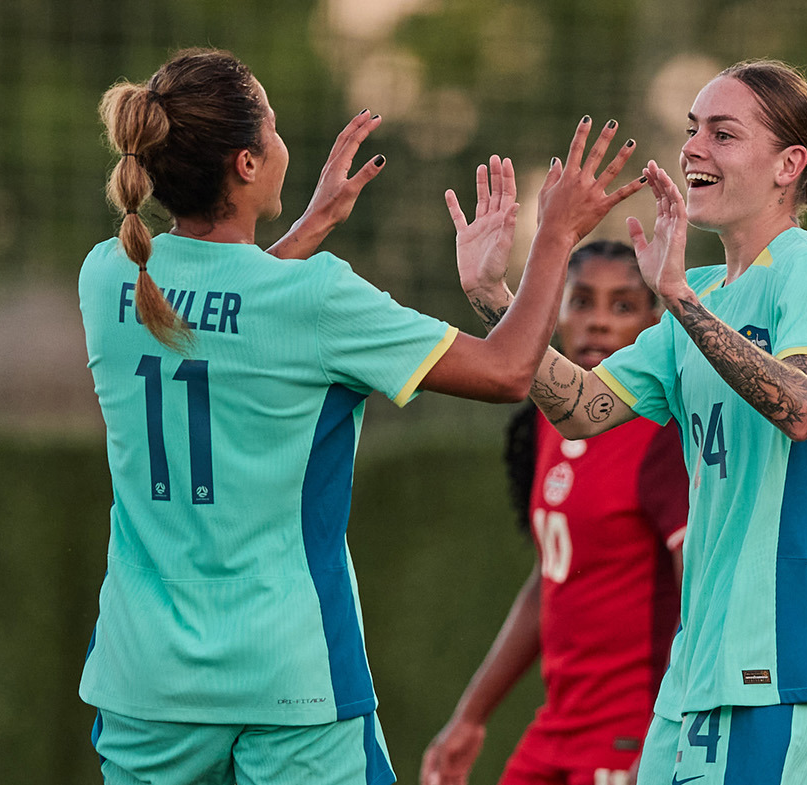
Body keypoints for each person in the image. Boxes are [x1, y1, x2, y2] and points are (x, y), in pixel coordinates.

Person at [77, 48, 645, 785]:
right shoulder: (315, 299)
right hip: (291, 685)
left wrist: (303, 231)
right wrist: (556, 236)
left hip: (142, 683)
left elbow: (222, 317)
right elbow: (507, 371)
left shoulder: (112, 276)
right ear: (248, 164)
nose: (285, 145)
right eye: (273, 130)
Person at [455, 60, 807, 785]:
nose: (693, 149)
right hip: (695, 668)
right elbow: (581, 407)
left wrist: (678, 297)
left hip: (778, 654)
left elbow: (804, 408)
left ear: (788, 165)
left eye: (723, 133)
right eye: (691, 131)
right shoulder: (700, 292)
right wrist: (495, 294)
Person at [421, 241, 689, 785]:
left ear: (653, 321)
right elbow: (552, 578)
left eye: (622, 306)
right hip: (557, 728)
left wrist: (670, 733)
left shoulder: (661, 433)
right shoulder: (552, 421)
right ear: (556, 311)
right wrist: (469, 718)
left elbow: (699, 592)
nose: (597, 323)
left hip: (631, 735)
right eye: (582, 301)